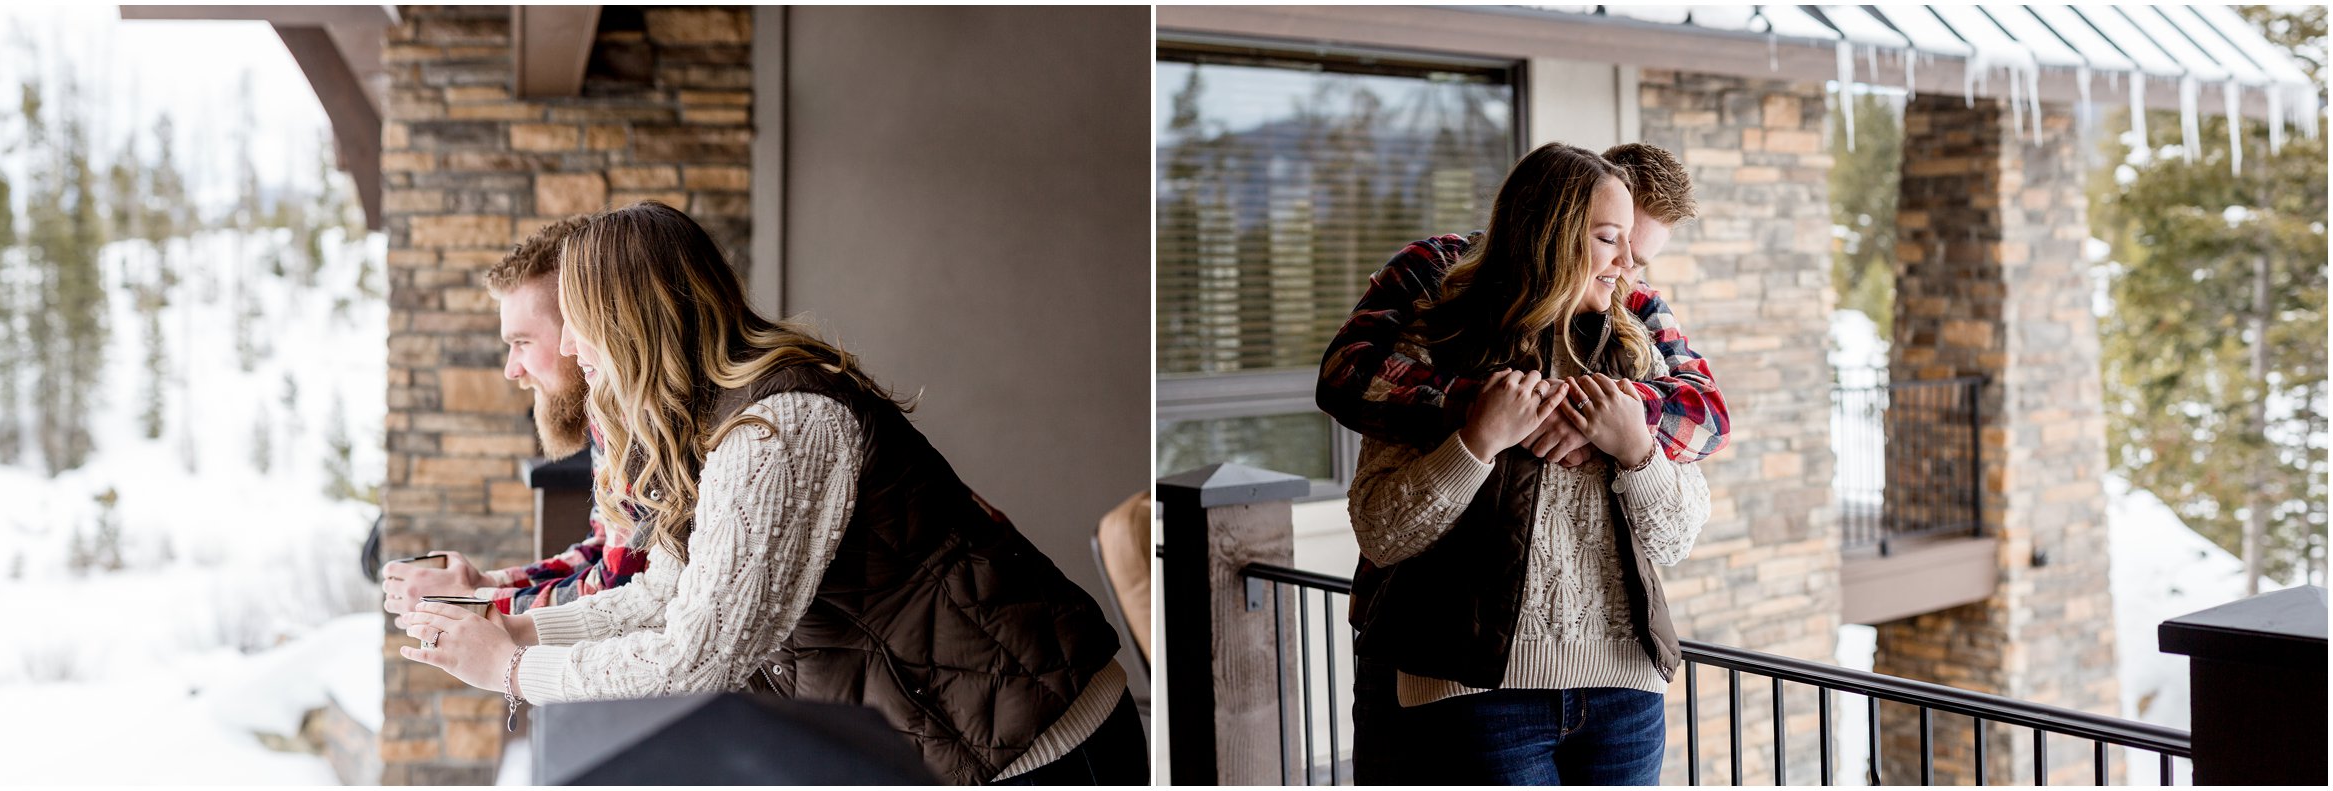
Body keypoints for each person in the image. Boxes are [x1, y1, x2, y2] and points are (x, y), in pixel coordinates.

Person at [396, 202, 1144, 785]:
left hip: (1041, 741)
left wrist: (512, 671)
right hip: (970, 737)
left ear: (632, 319)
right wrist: (520, 629)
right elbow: (668, 592)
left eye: (576, 322)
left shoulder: (777, 429)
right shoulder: (702, 427)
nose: (563, 348)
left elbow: (698, 657)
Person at [1320, 142, 1728, 785]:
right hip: (1473, 685)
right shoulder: (1439, 313)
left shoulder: (1633, 339)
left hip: (1626, 694)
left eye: (1637, 256)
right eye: (1611, 240)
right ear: (1555, 231)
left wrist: (1632, 444)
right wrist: (1478, 433)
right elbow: (1374, 496)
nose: (1628, 272)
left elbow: (1684, 505)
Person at [380, 215, 655, 617]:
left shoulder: (642, 423)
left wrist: (476, 604)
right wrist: (486, 584)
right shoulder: (606, 417)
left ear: (582, 326)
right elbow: (604, 552)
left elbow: (616, 589)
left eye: (522, 342)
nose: (512, 369)